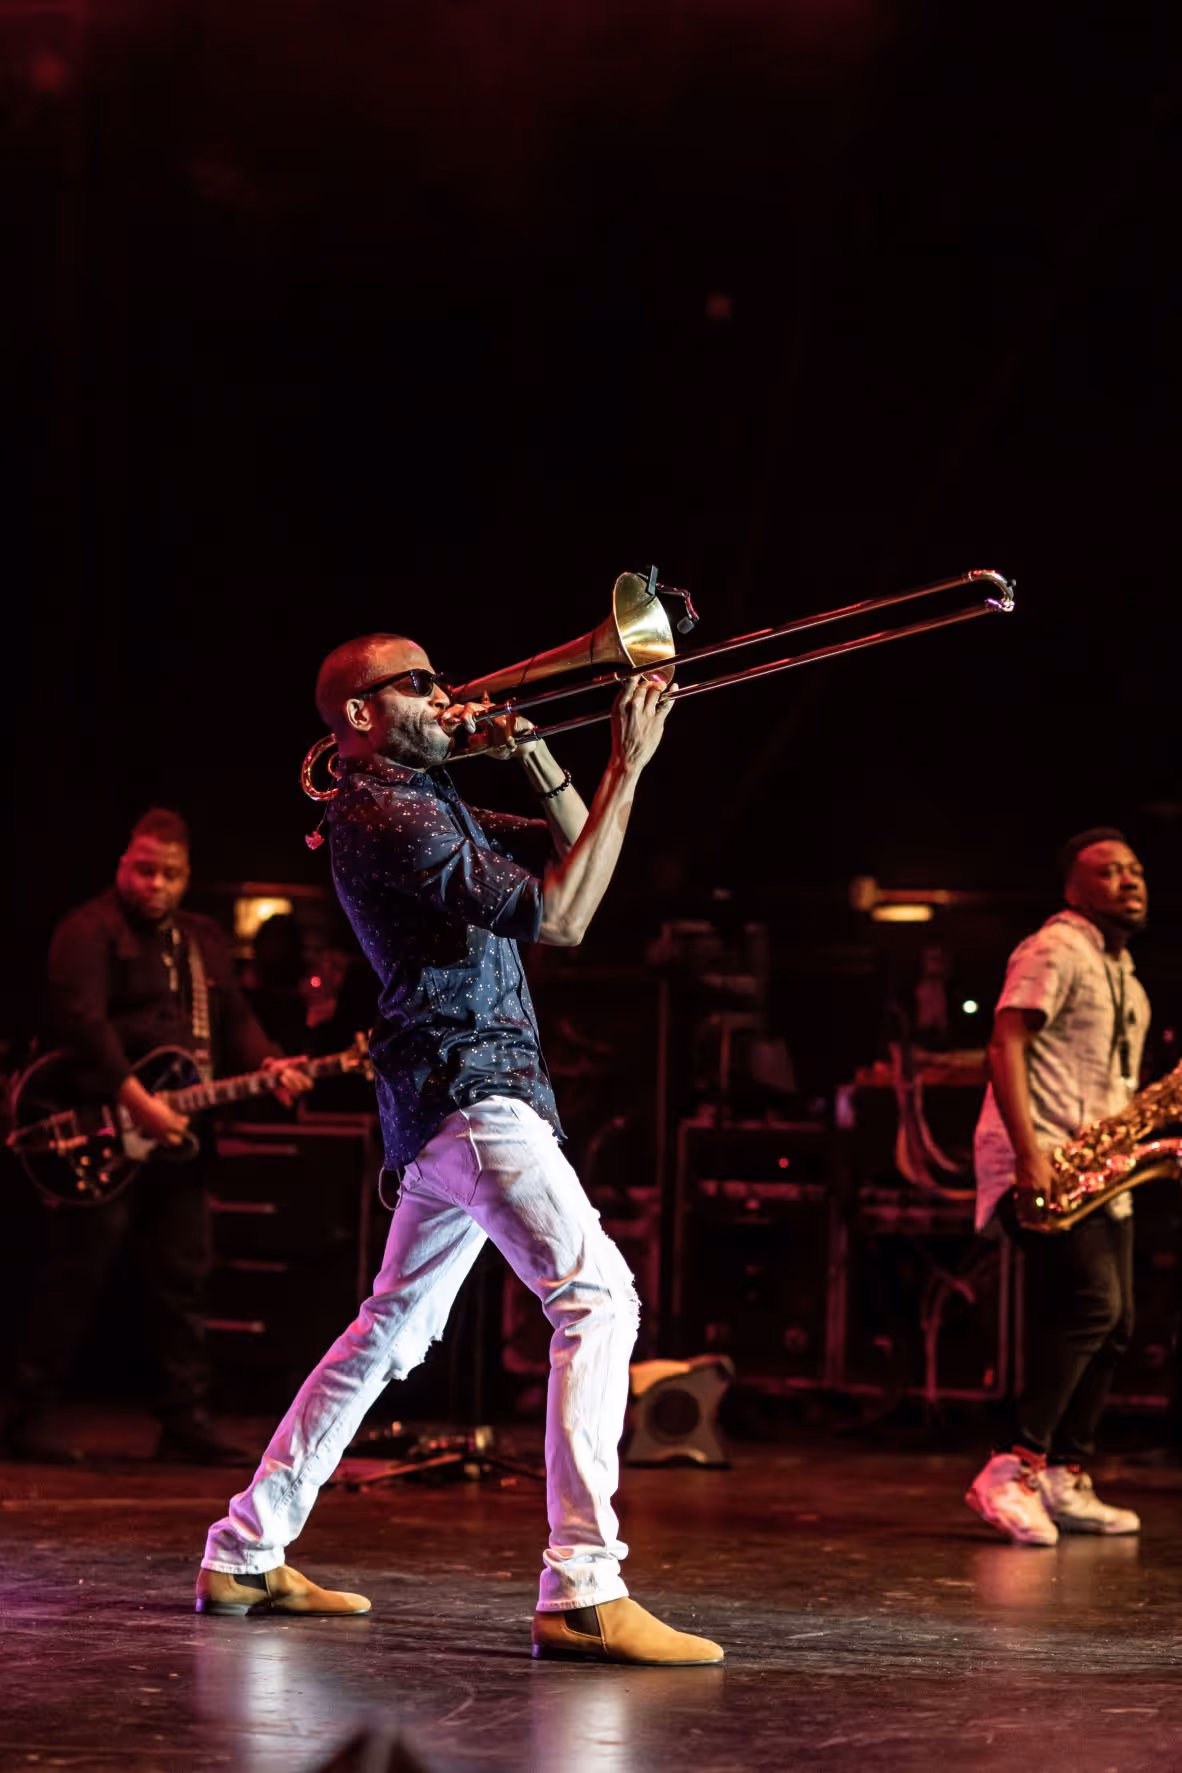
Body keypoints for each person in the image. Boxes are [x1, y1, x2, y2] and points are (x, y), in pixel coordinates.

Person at [196, 633, 724, 1666]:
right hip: (472, 1088)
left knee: (389, 1332)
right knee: (599, 1302)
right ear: (359, 714)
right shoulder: (382, 807)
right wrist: (627, 761)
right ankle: (582, 1587)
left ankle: (247, 1548)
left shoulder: (424, 800)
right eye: (424, 685)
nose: (451, 697)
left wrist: (548, 758)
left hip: (449, 1098)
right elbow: (563, 919)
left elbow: (582, 857)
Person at [1, 809, 311, 1465]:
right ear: (123, 863)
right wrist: (135, 1101)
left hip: (174, 1139)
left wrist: (268, 1064)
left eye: (170, 873)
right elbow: (83, 1026)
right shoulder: (86, 930)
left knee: (183, 1276)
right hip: (97, 1126)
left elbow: (236, 1017)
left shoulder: (201, 938)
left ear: (187, 874)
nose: (156, 884)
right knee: (75, 1273)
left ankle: (184, 1419)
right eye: (145, 869)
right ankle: (22, 1413)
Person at [966, 828, 1148, 1545]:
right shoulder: (1055, 947)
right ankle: (1012, 1467)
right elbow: (1005, 1041)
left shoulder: (1122, 970)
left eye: (1136, 869)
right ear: (1073, 889)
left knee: (1119, 1319)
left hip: (1102, 1168)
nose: (1130, 880)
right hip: (1045, 1155)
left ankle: (1065, 1473)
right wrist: (1029, 1152)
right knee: (1090, 1303)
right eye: (1109, 871)